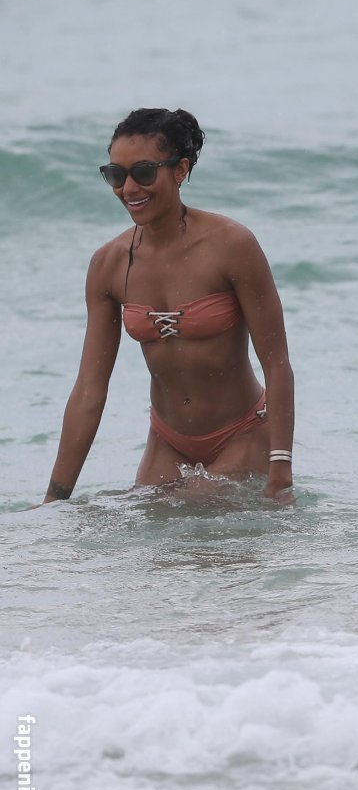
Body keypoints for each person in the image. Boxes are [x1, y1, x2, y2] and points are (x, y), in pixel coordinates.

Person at [42, 108, 295, 504]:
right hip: (167, 441)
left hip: (243, 433)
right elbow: (89, 391)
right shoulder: (108, 265)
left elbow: (277, 364)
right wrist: (54, 501)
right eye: (116, 175)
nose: (129, 188)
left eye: (143, 172)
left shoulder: (232, 246)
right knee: (139, 528)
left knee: (190, 513)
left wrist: (281, 469)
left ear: (180, 170)